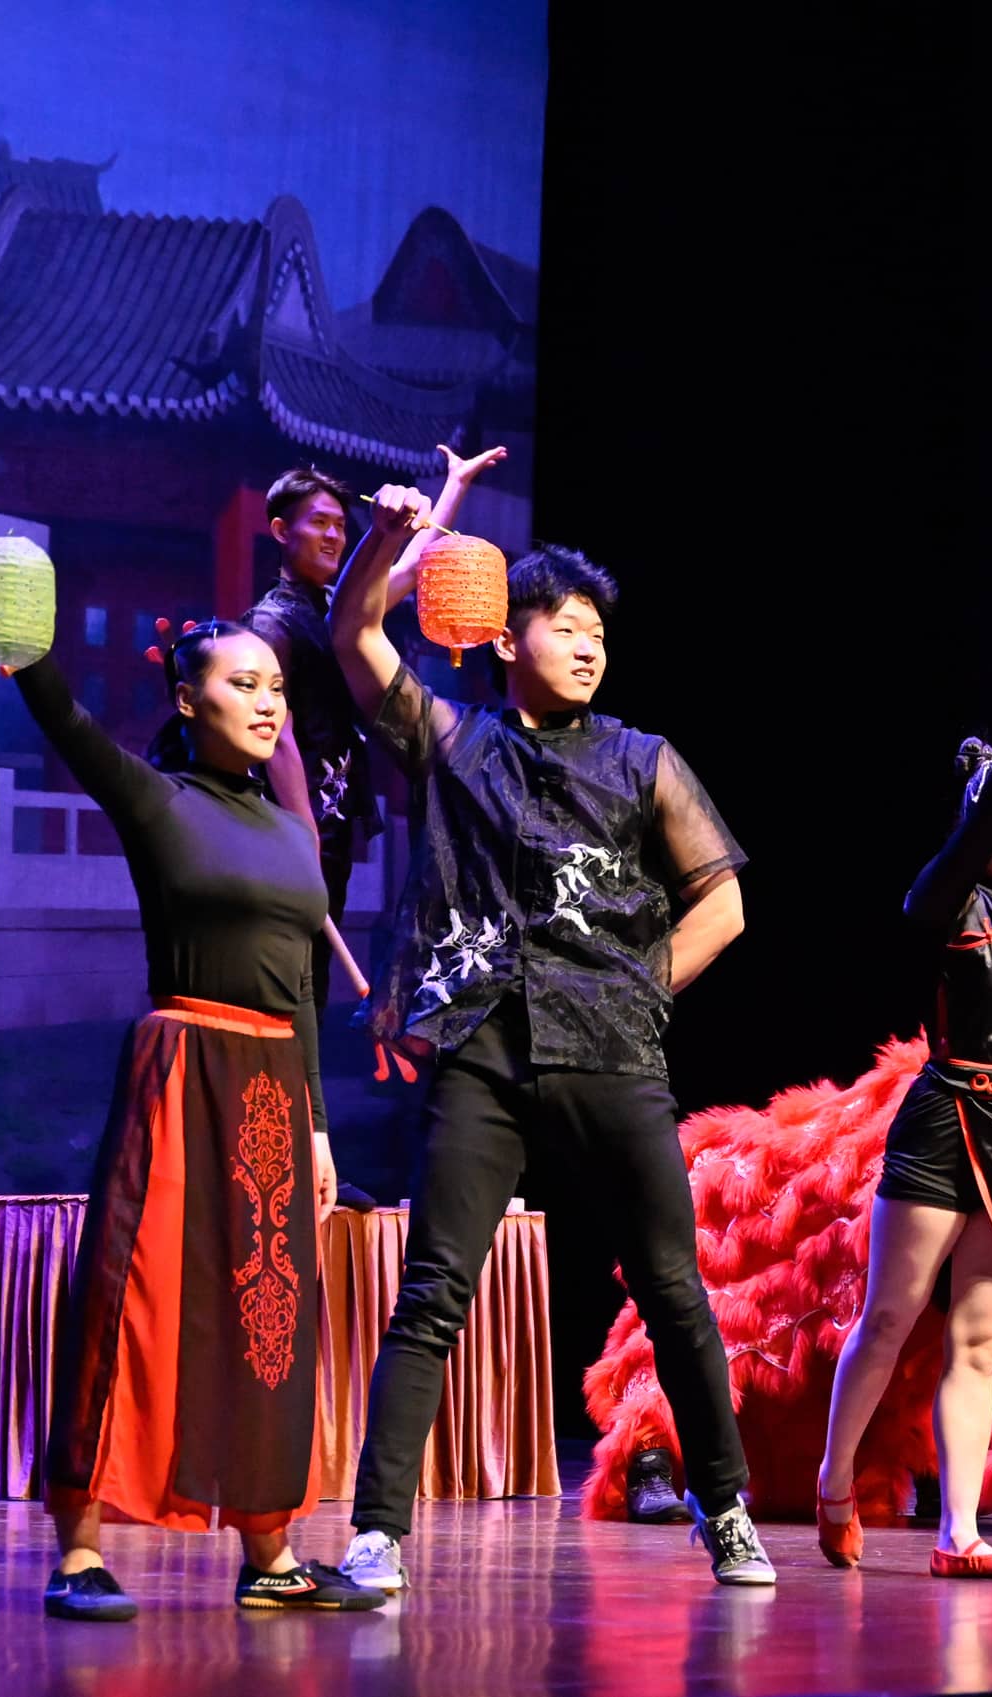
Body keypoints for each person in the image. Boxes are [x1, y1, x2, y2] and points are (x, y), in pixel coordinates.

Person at [328, 487, 773, 1589]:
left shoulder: (639, 758)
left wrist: (639, 987)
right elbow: (351, 632)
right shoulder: (452, 741)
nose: (586, 645)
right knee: (432, 1287)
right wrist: (395, 536)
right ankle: (378, 1530)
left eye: (598, 632)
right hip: (484, 1045)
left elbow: (722, 898)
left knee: (671, 1286)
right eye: (564, 626)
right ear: (506, 637)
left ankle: (724, 1508)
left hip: (612, 1049)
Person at [13, 615, 380, 1618]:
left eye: (275, 687)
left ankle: (269, 1550)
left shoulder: (290, 831)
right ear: (188, 699)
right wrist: (24, 649)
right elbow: (70, 723)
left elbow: (302, 983)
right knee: (133, 1298)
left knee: (269, 1319)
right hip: (184, 1064)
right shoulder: (158, 800)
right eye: (242, 683)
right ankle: (79, 1545)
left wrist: (313, 1120)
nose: (267, 702)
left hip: (270, 1085)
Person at [814, 660, 992, 1581]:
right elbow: (965, 848)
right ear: (986, 825)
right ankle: (835, 1481)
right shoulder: (951, 906)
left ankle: (958, 1533)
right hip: (945, 1122)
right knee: (888, 1319)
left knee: (979, 1344)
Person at [242, 446, 506, 1009]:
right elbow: (277, 738)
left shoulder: (333, 607)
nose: (334, 536)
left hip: (325, 825)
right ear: (281, 531)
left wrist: (453, 487)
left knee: (311, 980)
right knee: (282, 981)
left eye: (341, 524)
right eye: (320, 523)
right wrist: (302, 833)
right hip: (292, 827)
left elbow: (410, 568)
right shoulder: (270, 622)